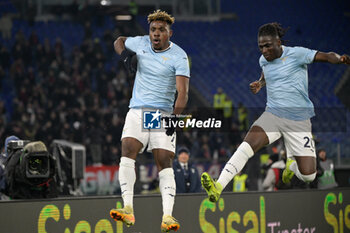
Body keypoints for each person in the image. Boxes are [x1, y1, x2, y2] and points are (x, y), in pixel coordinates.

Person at [201, 22, 350, 202]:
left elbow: (325, 56)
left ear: (278, 42)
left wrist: (340, 59)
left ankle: (291, 166)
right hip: (273, 115)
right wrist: (260, 83)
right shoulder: (263, 60)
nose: (263, 50)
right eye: (260, 47)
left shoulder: (297, 54)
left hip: (298, 121)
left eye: (267, 45)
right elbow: (266, 73)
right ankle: (218, 186)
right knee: (246, 146)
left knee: (309, 175)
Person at [109, 10, 190, 232]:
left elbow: (182, 94)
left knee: (163, 160)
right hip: (138, 108)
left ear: (169, 33)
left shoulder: (179, 56)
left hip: (161, 113)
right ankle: (127, 208)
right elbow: (120, 41)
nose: (155, 34)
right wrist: (125, 56)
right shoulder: (141, 42)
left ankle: (168, 216)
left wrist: (174, 119)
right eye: (153, 29)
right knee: (127, 147)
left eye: (161, 30)